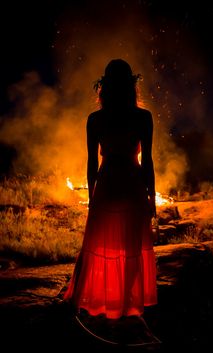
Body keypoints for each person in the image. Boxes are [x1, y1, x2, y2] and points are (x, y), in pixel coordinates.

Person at [64, 59, 157, 320]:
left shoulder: (96, 119)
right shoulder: (143, 117)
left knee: (99, 244)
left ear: (104, 87)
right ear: (131, 87)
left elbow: (92, 162)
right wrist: (151, 196)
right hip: (132, 183)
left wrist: (92, 196)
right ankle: (126, 302)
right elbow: (147, 160)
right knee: (131, 247)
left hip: (107, 184)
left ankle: (99, 301)